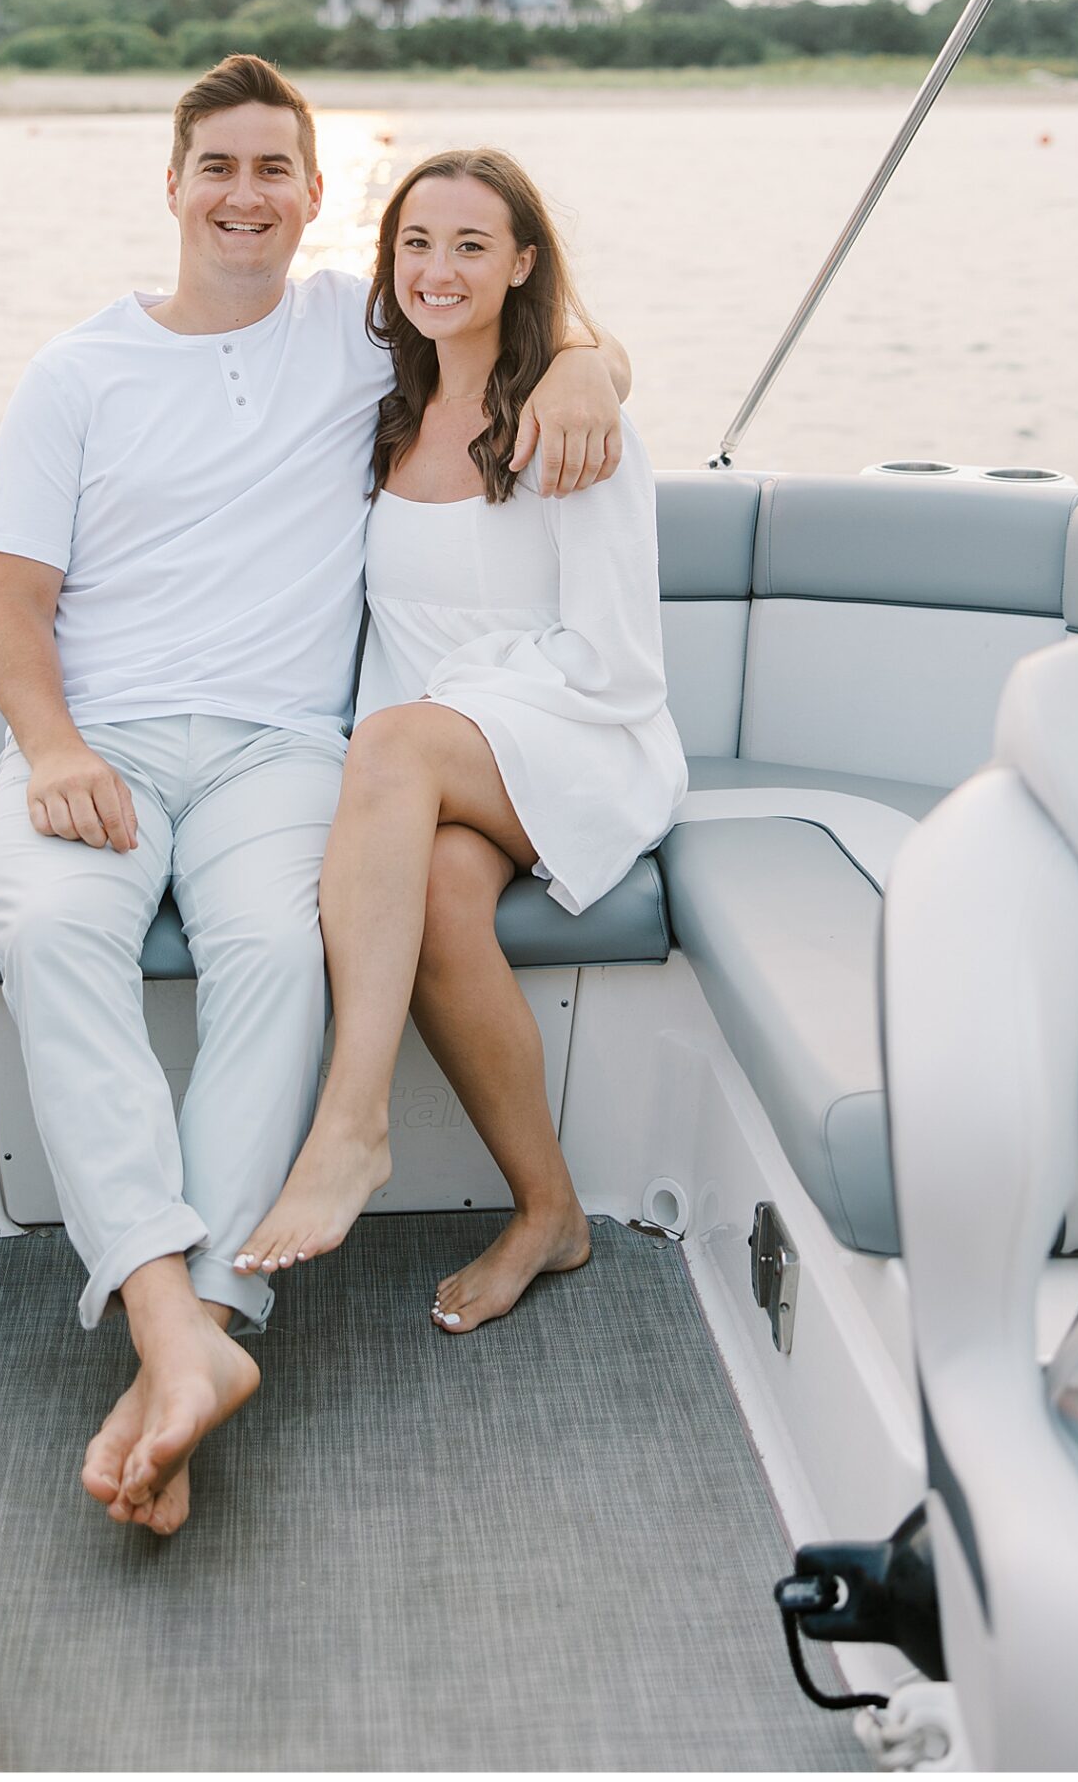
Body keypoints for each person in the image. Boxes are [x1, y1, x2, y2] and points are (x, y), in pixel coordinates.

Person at [0, 59, 632, 1537]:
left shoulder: (355, 333)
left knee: (277, 955)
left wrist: (590, 359)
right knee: (57, 943)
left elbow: (514, 317)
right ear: (173, 184)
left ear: (319, 198)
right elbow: (9, 612)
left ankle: (198, 1329)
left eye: (277, 169)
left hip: (279, 751)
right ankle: (172, 1325)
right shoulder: (76, 373)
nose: (247, 195)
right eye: (220, 167)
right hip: (101, 745)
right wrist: (58, 749)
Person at [236, 148, 686, 1330]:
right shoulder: (382, 405)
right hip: (441, 761)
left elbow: (617, 658)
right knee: (434, 888)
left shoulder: (571, 418)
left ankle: (352, 1121)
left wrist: (592, 359)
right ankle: (553, 1213)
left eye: (473, 245)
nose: (437, 269)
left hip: (579, 729)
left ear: (525, 264)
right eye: (416, 243)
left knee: (390, 742)